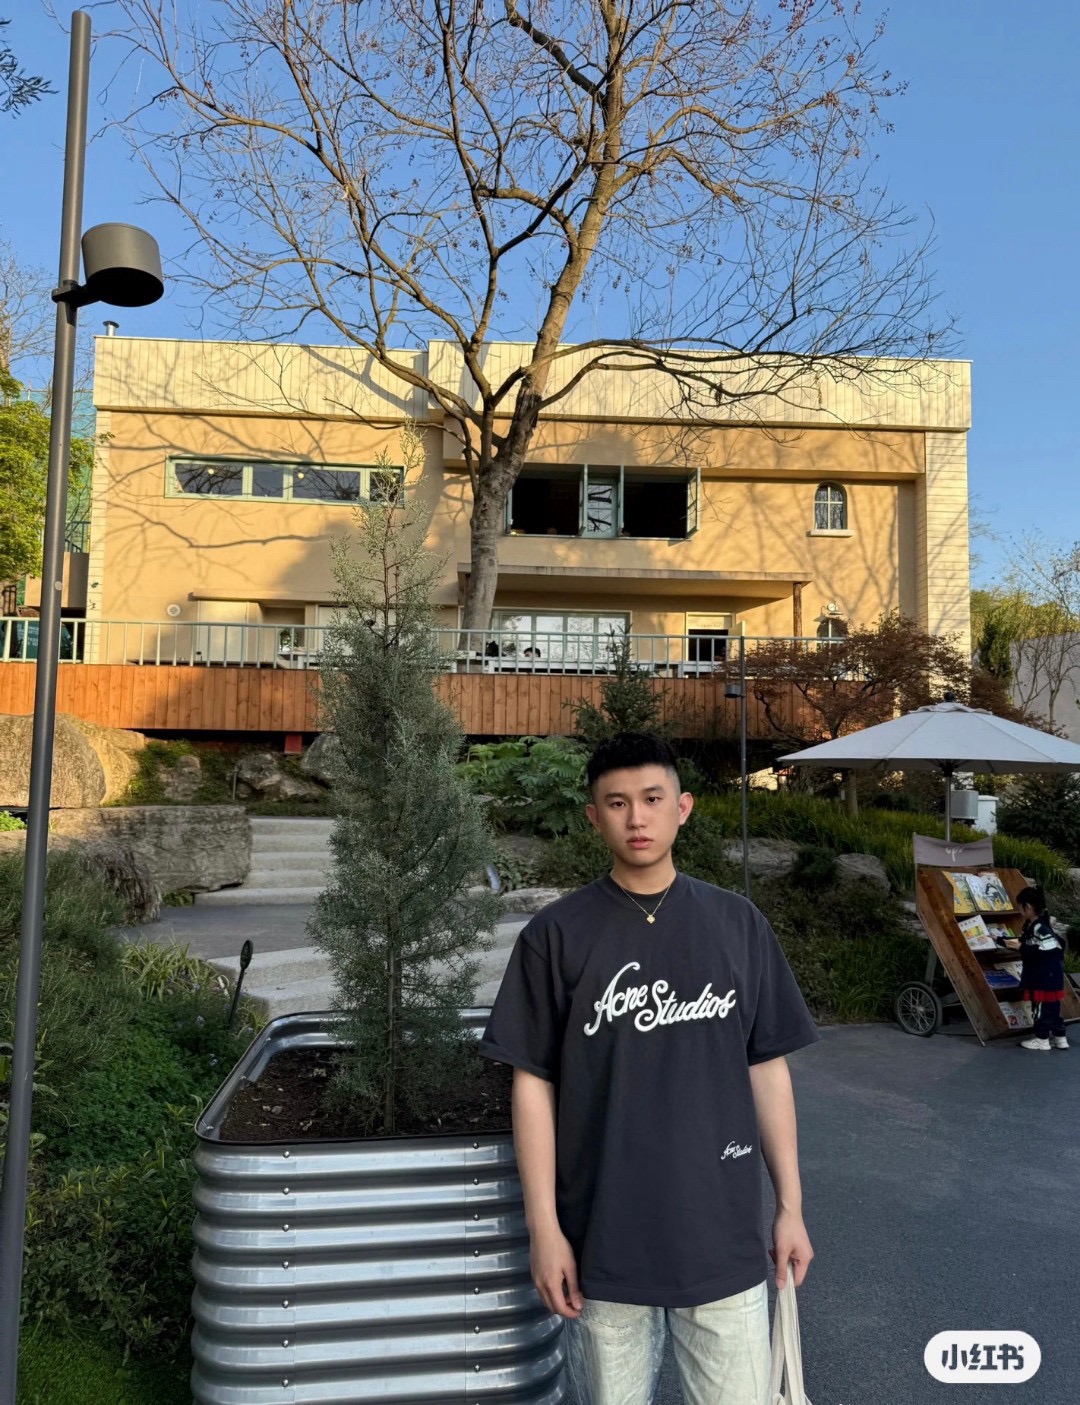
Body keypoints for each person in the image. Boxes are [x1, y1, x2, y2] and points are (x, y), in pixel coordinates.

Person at [478, 731, 819, 1405]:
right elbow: (532, 1084)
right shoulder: (555, 936)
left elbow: (767, 1068)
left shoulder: (738, 923)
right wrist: (545, 1229)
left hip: (721, 1239)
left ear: (683, 808)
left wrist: (791, 1207)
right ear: (593, 817)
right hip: (603, 1246)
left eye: (653, 798)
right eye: (617, 802)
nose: (637, 817)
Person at [1008, 884, 1069, 1051]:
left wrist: (1022, 948)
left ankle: (1042, 1039)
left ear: (1028, 907)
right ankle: (1060, 1037)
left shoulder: (1039, 927)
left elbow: (1049, 949)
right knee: (1053, 1009)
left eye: (1020, 907)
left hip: (1043, 977)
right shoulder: (1039, 924)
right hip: (1052, 976)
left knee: (1040, 1008)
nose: (1020, 911)